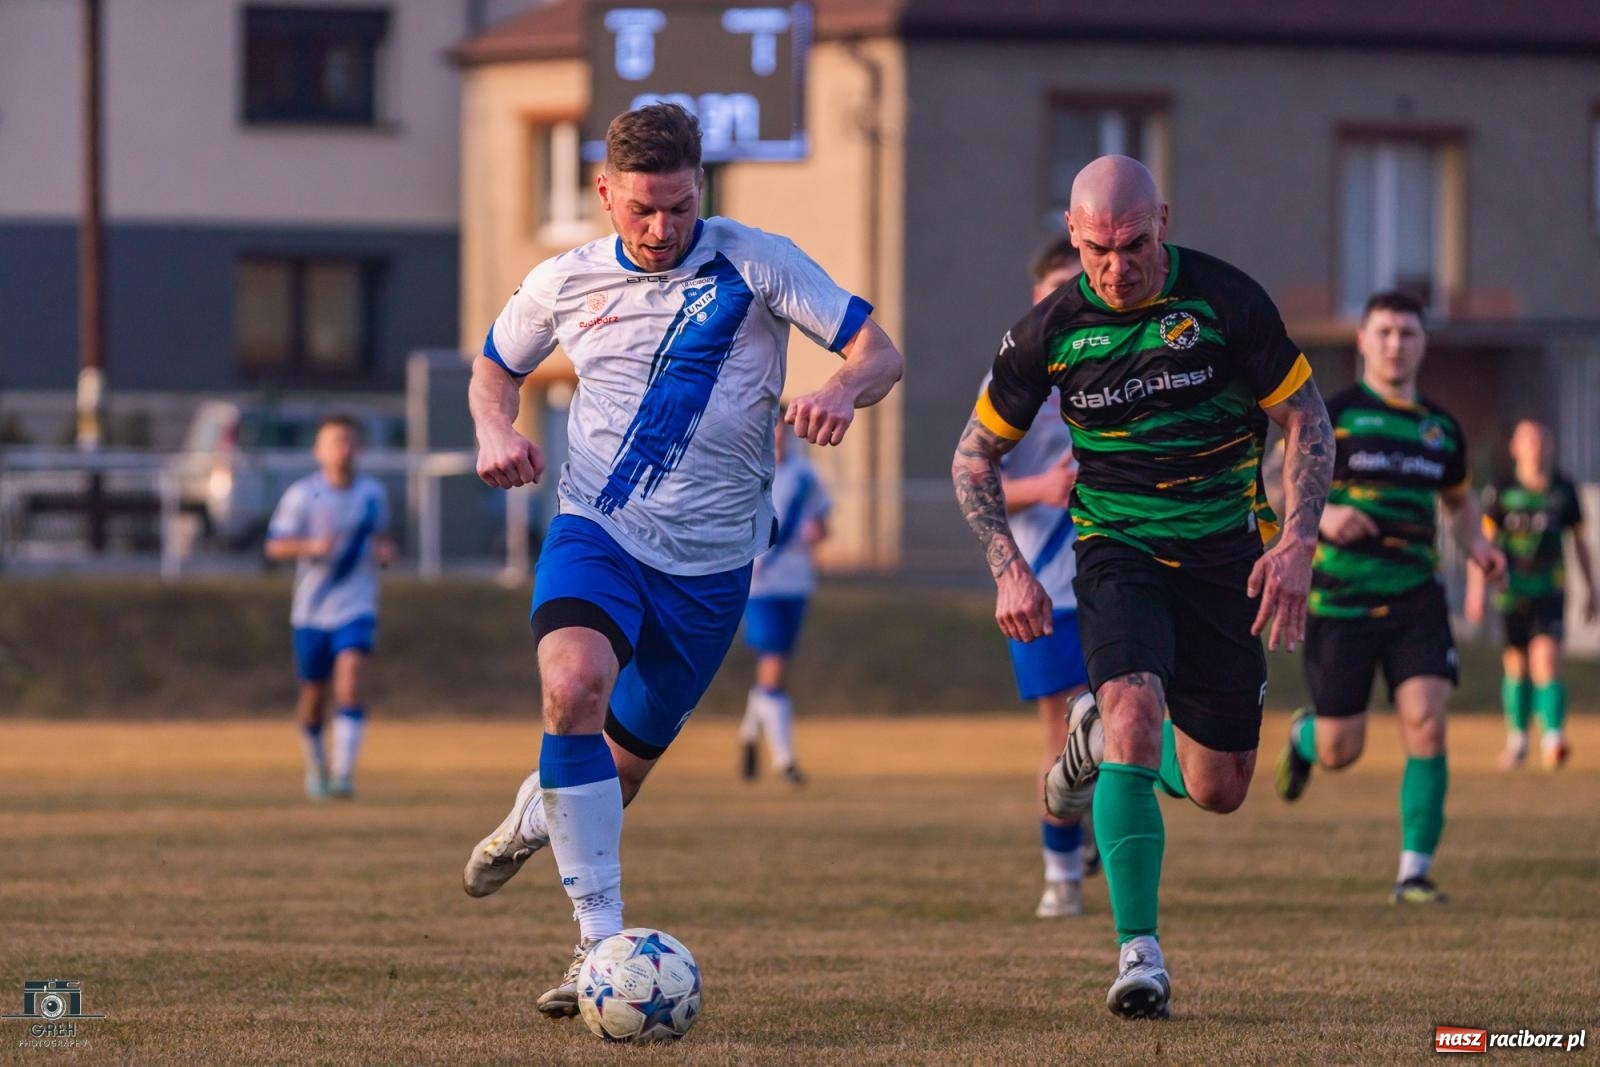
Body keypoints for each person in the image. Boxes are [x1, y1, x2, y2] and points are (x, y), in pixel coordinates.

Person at [461, 103, 904, 1020]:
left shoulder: (758, 259)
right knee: (572, 686)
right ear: (605, 193)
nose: (661, 229)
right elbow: (494, 366)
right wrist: (492, 429)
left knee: (615, 772)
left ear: (699, 186)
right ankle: (598, 946)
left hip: (713, 567)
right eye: (641, 211)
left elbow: (878, 350)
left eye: (676, 206)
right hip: (600, 531)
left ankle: (539, 810)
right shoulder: (565, 280)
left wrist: (840, 387)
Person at [953, 155, 1333, 1020]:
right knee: (1131, 708)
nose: (1114, 267)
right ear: (1075, 239)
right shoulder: (1047, 330)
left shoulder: (1228, 301)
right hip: (1116, 547)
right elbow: (975, 453)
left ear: (1163, 218)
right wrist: (1008, 566)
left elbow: (1305, 415)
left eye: (1131, 245)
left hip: (1226, 552)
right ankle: (1139, 956)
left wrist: (1300, 537)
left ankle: (1097, 744)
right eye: (1096, 251)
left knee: (1221, 786)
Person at [1276, 290, 1507, 905]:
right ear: (1363, 340)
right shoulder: (1334, 415)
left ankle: (1414, 872)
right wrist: (1325, 519)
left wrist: (1482, 549)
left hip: (1416, 599)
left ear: (1422, 343)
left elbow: (1458, 507)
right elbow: (1279, 481)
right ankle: (1304, 740)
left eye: (1407, 333)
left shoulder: (1440, 428)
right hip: (1341, 600)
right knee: (1340, 749)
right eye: (1383, 332)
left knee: (1427, 723)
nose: (1395, 343)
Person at [981, 234, 1096, 919]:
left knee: (1129, 726)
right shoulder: (1016, 373)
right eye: (1058, 285)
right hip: (1045, 585)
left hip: (1122, 576)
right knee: (1068, 737)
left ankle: (1100, 848)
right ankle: (1062, 872)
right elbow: (976, 474)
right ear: (1037, 296)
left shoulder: (1124, 361)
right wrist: (1042, 488)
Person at [264, 414, 396, 800]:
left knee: (351, 679)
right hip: (311, 609)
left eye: (350, 441)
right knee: (313, 696)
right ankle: (317, 768)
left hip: (356, 604)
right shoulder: (303, 495)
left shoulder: (372, 494)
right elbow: (274, 545)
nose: (344, 449)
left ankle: (342, 775)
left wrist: (385, 552)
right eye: (335, 442)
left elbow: (381, 538)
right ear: (318, 451)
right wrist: (311, 547)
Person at [1467, 419, 1596, 771]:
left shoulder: (1564, 489)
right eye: (1529, 441)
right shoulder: (1502, 488)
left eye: (1541, 441)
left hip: (1550, 588)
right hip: (1510, 591)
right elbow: (1484, 543)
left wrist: (1592, 588)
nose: (1536, 447)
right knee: (1517, 666)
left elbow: (1579, 542)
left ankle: (1554, 738)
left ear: (1550, 447)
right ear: (1515, 448)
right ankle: (1519, 741)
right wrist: (1476, 591)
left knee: (1547, 661)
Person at [737, 415, 831, 785]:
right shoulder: (745, 470)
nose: (775, 435)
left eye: (780, 428)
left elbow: (822, 523)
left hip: (796, 582)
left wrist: (816, 531)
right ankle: (785, 759)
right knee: (773, 665)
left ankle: (749, 729)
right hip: (759, 585)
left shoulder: (807, 476)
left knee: (775, 666)